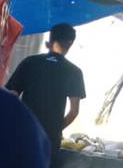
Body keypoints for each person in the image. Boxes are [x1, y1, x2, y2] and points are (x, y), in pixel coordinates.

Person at [5, 23, 85, 159]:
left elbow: (11, 99)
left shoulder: (29, 62)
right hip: (48, 140)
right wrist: (55, 129)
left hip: (22, 133)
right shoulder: (74, 72)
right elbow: (74, 111)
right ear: (70, 43)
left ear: (51, 40)